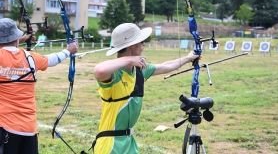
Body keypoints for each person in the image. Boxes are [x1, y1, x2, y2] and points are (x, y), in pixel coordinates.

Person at [93, 23, 201, 154]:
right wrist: (129, 60)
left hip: (129, 142)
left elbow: (166, 66)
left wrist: (188, 58)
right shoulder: (114, 75)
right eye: (142, 41)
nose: (144, 44)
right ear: (133, 45)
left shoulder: (138, 70)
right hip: (110, 145)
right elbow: (99, 71)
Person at [0, 18, 78, 154]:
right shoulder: (30, 57)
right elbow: (53, 59)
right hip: (29, 129)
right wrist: (68, 50)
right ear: (16, 39)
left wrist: (21, 39)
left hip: (5, 128)